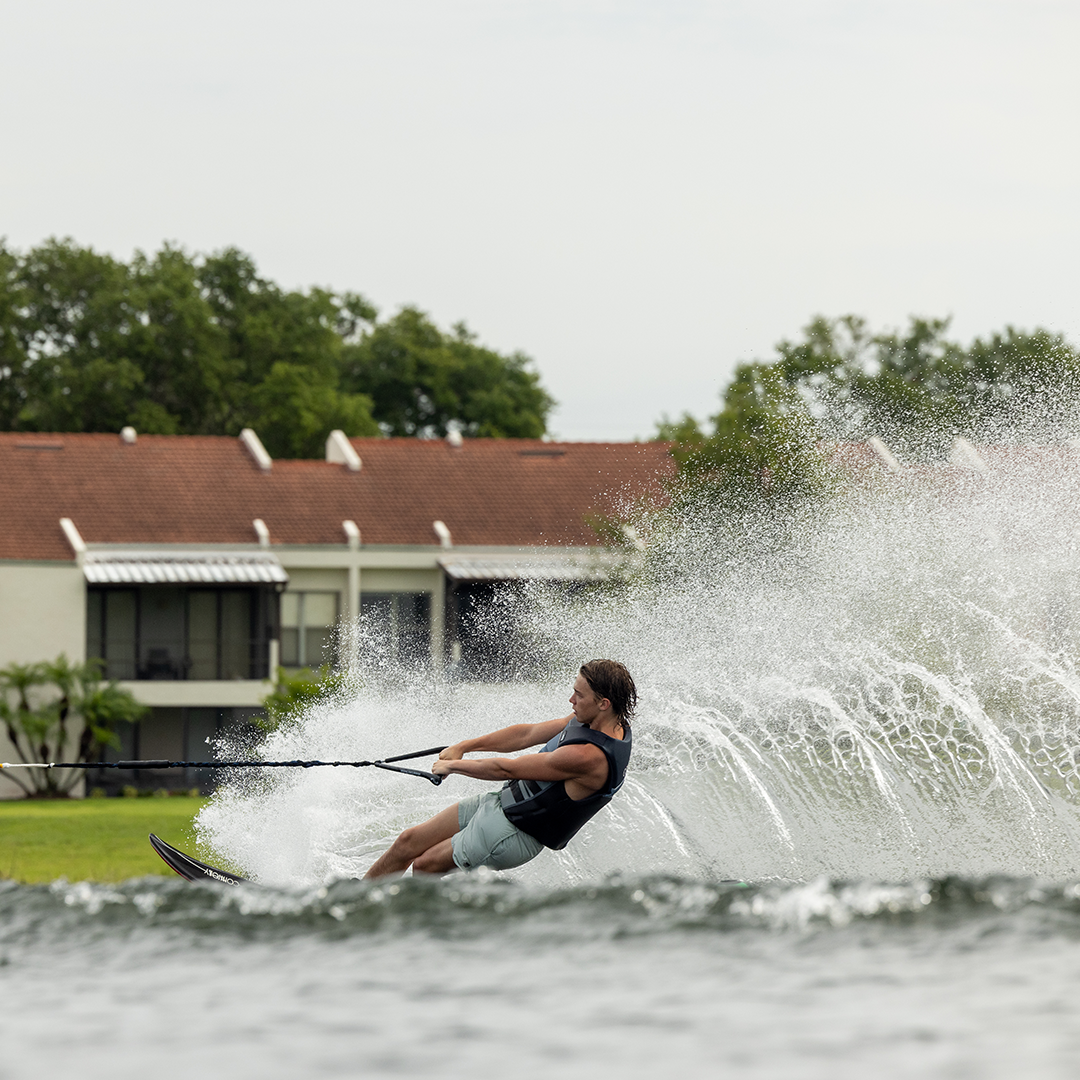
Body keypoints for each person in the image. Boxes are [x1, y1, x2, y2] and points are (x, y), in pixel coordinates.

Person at [364, 659, 635, 879]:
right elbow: (526, 735)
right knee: (407, 842)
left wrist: (454, 766)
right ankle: (357, 907)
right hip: (503, 804)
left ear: (603, 703)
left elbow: (507, 769)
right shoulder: (592, 720)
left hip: (513, 832)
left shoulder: (589, 757)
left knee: (425, 866)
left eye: (578, 694)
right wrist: (464, 746)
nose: (571, 700)